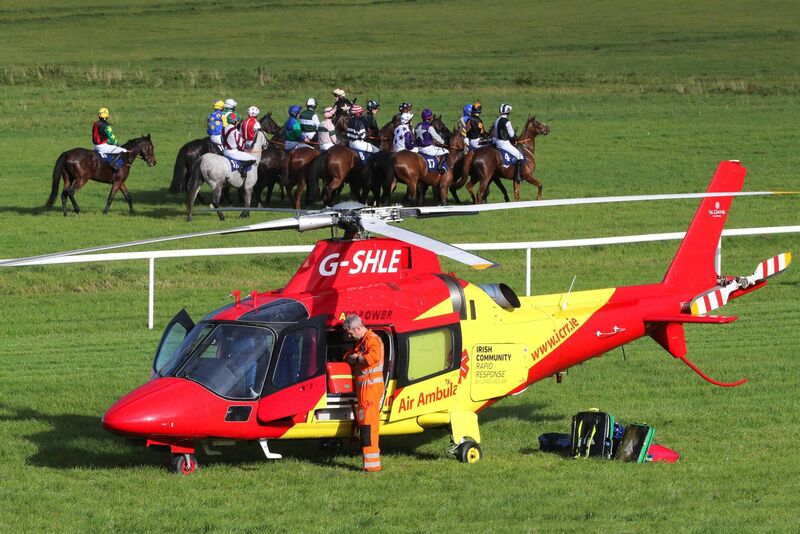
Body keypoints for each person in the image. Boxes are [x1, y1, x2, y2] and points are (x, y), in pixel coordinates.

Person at [342, 314, 385, 472]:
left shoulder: (371, 340)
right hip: (365, 388)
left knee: (368, 425)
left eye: (350, 333)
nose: (349, 336)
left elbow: (373, 357)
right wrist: (352, 357)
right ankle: (369, 462)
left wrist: (357, 359)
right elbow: (347, 355)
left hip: (370, 386)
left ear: (358, 328)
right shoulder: (361, 341)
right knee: (364, 424)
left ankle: (372, 465)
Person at [491, 103, 524, 183]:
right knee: (520, 156)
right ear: (508, 112)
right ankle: (517, 176)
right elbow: (512, 135)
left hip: (496, 142)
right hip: (504, 143)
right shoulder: (507, 121)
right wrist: (517, 139)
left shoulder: (497, 120)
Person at [221, 113, 258, 177]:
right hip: (233, 152)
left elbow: (222, 140)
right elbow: (241, 146)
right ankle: (241, 168)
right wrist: (247, 149)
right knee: (253, 158)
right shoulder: (235, 131)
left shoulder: (223, 129)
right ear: (235, 121)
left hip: (224, 151)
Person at [414, 108, 447, 173]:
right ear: (430, 118)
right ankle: (439, 167)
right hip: (427, 149)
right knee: (446, 152)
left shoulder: (417, 125)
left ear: (422, 117)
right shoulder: (429, 127)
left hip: (418, 149)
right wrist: (443, 142)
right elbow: (436, 137)